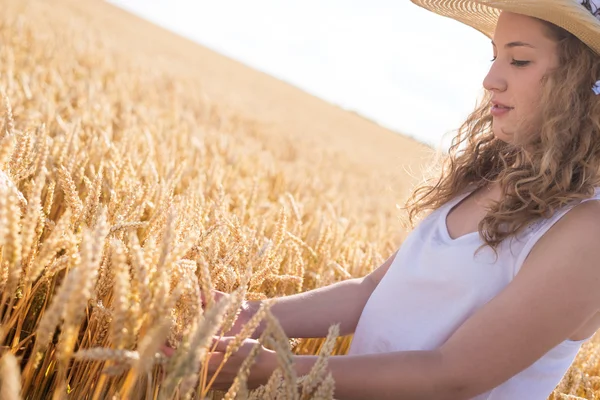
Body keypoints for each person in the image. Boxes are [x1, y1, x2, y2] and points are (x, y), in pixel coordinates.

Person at [204, 1, 600, 398]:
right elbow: (370, 291)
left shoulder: (587, 230)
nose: (490, 79)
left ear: (584, 79)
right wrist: (246, 316)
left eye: (518, 61)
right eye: (494, 55)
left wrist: (279, 369)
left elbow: (454, 376)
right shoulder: (487, 177)